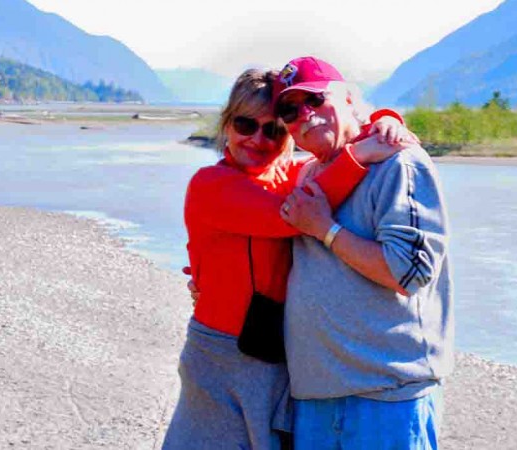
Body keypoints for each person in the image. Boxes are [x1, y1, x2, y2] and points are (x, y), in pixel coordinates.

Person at [163, 68, 415, 450]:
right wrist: (362, 154)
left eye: (273, 130)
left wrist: (385, 120)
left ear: (288, 136)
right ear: (227, 125)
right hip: (220, 356)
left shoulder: (293, 175)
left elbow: (342, 134)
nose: (258, 139)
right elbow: (289, 216)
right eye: (246, 124)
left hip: (283, 356)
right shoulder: (209, 184)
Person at [273, 56, 454, 449]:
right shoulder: (304, 175)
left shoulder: (398, 162)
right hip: (315, 399)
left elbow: (410, 272)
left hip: (387, 393)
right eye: (290, 110)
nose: (305, 115)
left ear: (349, 99)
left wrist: (327, 230)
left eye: (315, 99)